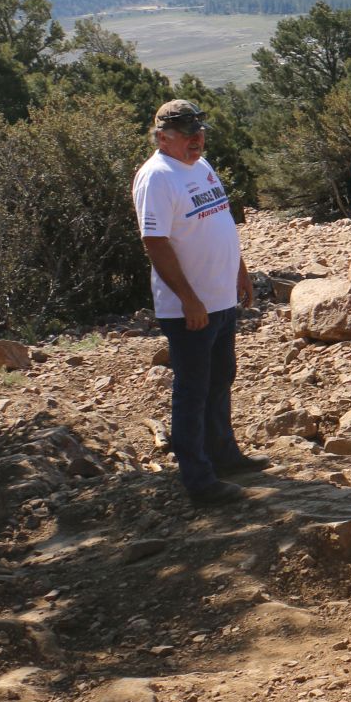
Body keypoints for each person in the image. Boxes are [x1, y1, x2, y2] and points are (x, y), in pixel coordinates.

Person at [133, 99, 268, 507]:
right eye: (188, 135)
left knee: (221, 376)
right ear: (163, 138)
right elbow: (155, 243)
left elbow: (219, 219)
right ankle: (198, 480)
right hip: (190, 309)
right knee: (192, 390)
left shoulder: (201, 166)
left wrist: (240, 271)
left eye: (200, 133)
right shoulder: (157, 177)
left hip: (220, 299)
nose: (197, 140)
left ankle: (223, 455)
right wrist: (188, 299)